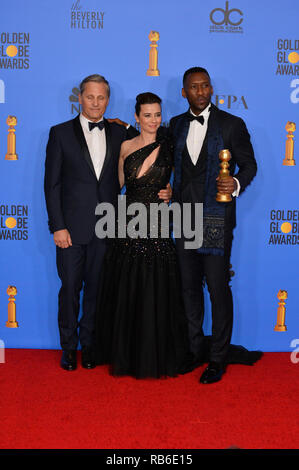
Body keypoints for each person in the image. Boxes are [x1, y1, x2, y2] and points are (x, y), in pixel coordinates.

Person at [44, 75, 171, 371]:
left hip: (110, 227)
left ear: (108, 100)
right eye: (90, 97)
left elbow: (148, 158)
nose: (96, 103)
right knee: (70, 289)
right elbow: (51, 185)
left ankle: (89, 346)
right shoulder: (59, 133)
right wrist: (58, 227)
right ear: (80, 98)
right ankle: (68, 347)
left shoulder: (119, 136)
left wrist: (168, 189)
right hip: (71, 230)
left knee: (97, 291)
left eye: (102, 98)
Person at [170, 67, 260, 384]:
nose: (201, 91)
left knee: (218, 290)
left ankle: (218, 358)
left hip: (215, 218)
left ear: (211, 88)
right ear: (184, 92)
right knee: (188, 288)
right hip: (183, 218)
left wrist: (234, 182)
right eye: (194, 87)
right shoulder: (176, 125)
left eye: (206, 85)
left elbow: (250, 165)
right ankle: (195, 351)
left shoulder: (232, 124)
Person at [94, 92, 193, 378]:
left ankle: (158, 352)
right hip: (129, 222)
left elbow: (181, 181)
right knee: (130, 286)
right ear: (136, 117)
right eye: (147, 115)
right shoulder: (125, 146)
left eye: (157, 114)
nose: (153, 120)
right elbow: (118, 186)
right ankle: (127, 352)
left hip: (159, 224)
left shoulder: (170, 145)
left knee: (157, 286)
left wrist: (172, 192)